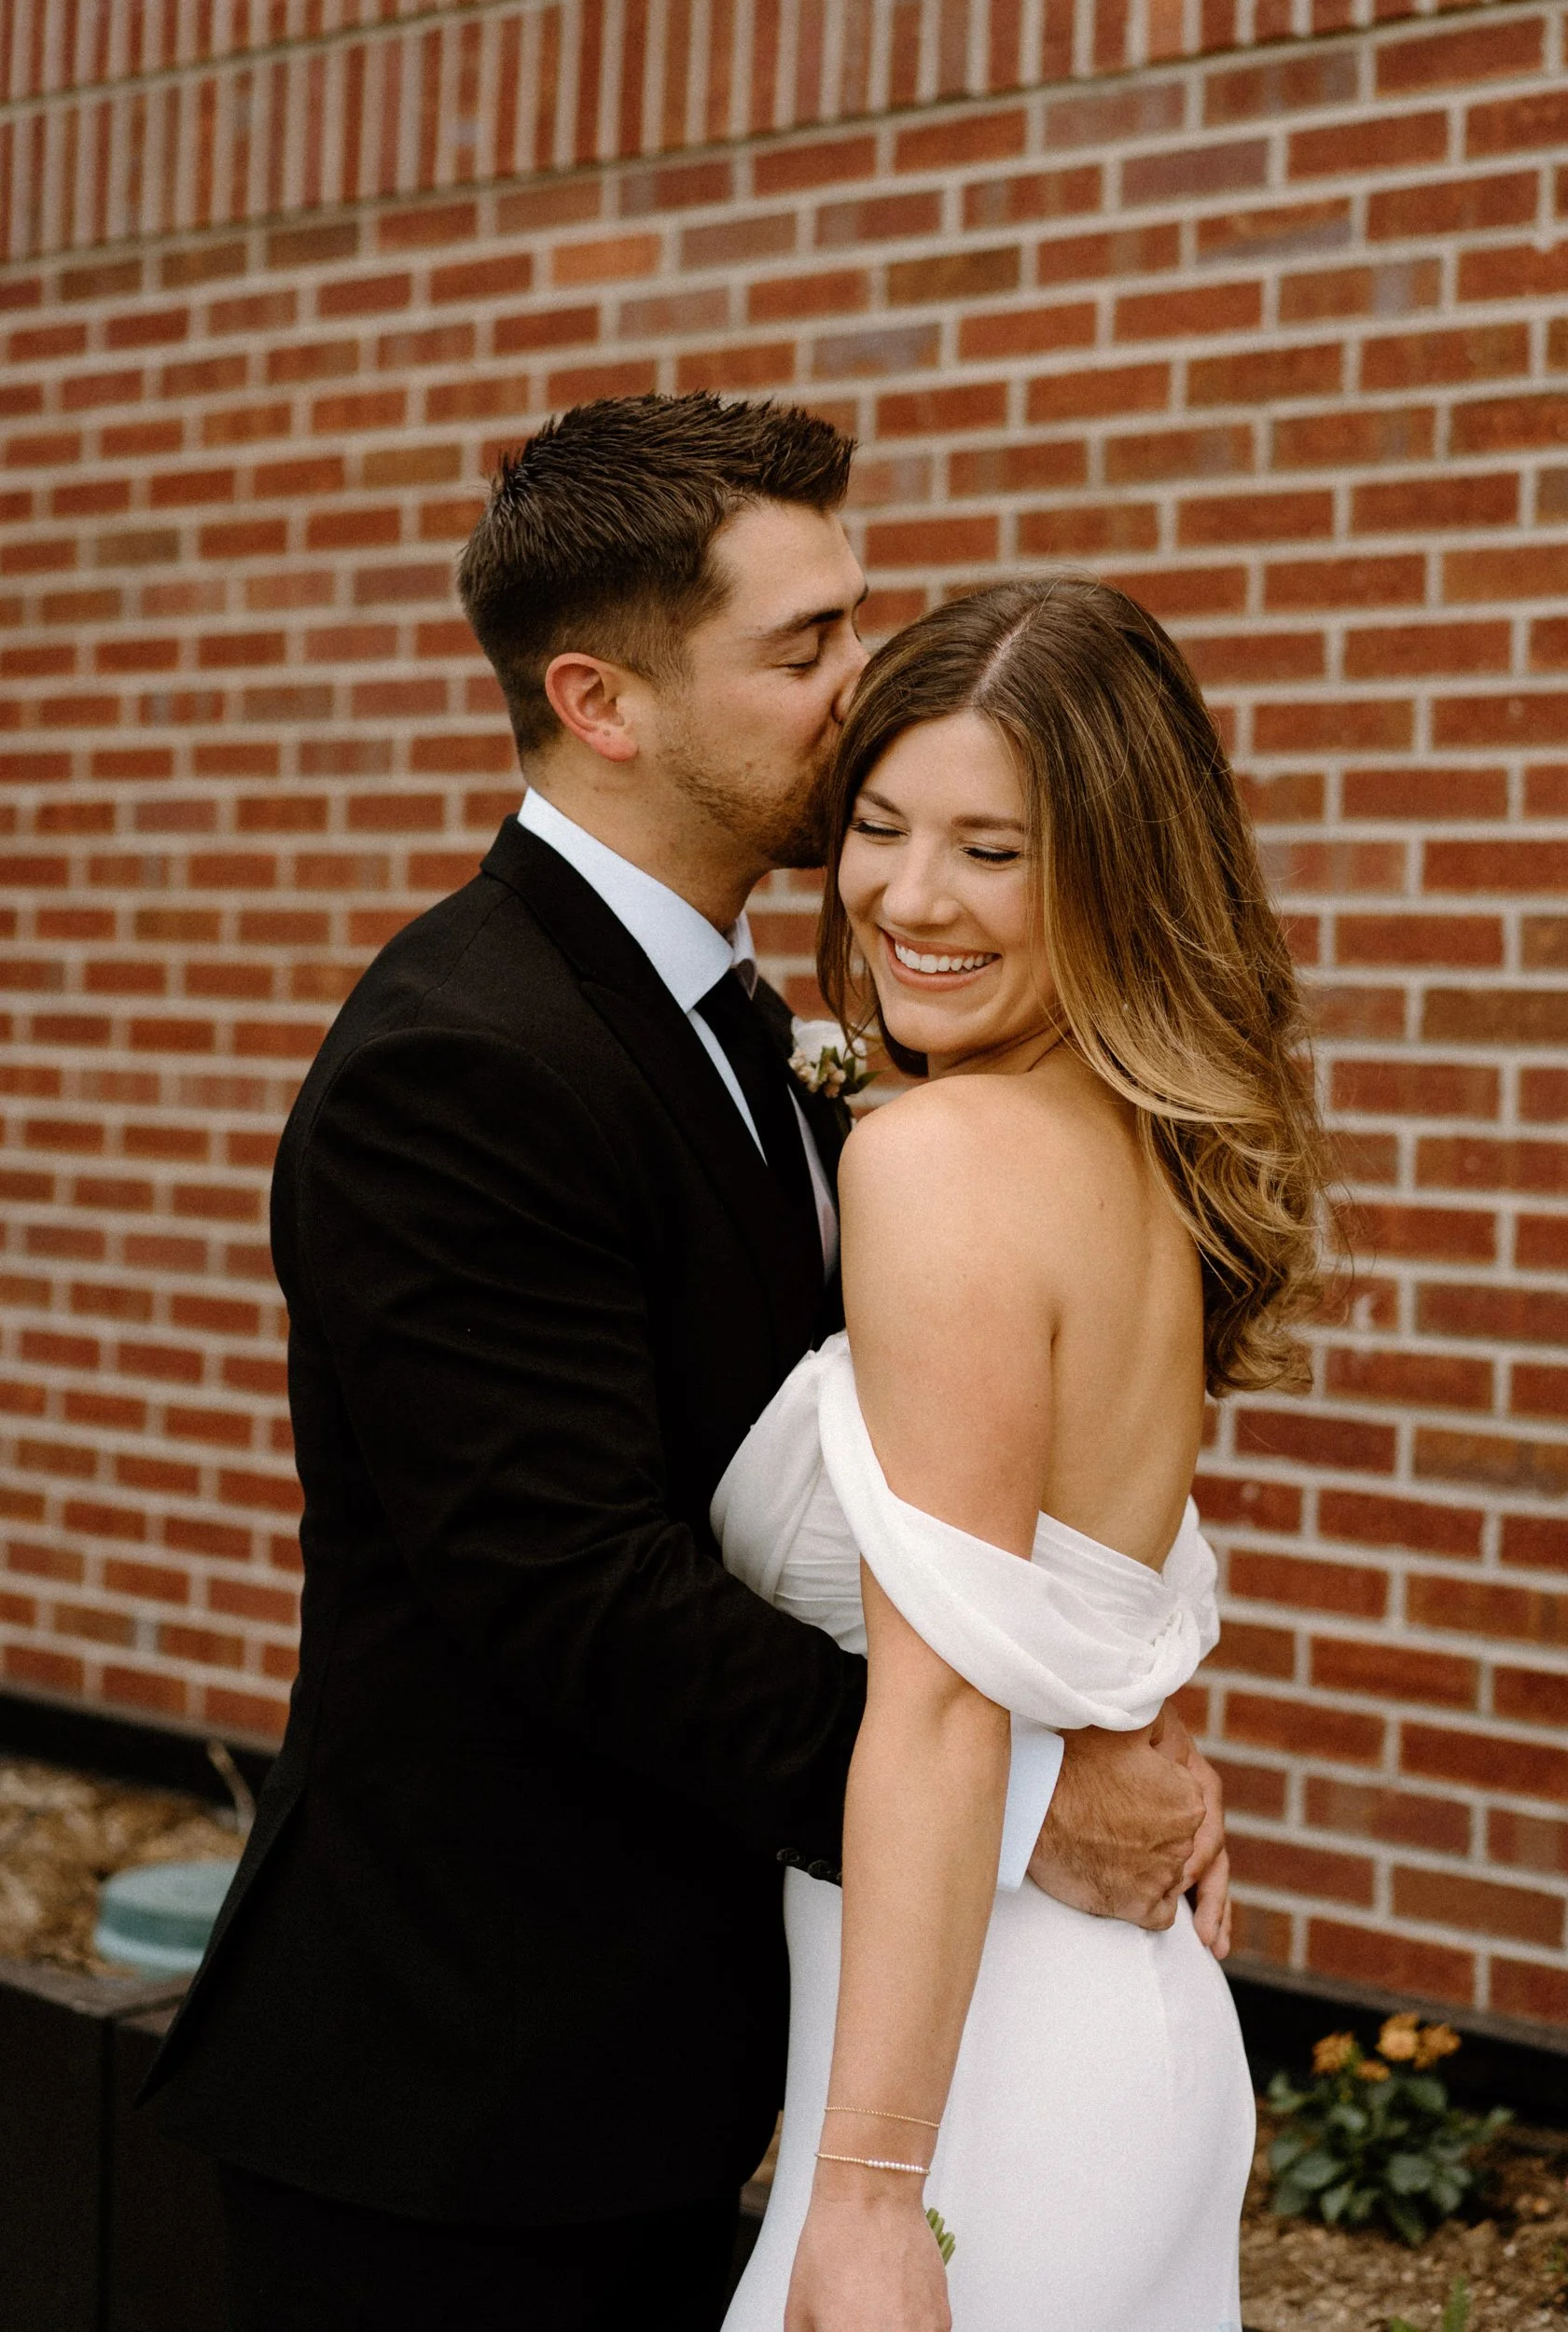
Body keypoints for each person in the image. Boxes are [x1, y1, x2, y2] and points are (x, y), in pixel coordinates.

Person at [140, 396, 1228, 2332]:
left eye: (857, 620)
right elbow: (574, 1594)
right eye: (804, 647)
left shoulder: (823, 1041)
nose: (861, 687)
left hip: (722, 2068)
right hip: (456, 2110)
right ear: (605, 699)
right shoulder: (453, 1062)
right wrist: (1024, 1800)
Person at [716, 576, 1330, 2332]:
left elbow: (943, 1700)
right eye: (883, 828)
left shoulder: (943, 1163)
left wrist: (863, 2199)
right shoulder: (1132, 1143)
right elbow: (1098, 1598)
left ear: (1118, 870)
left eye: (995, 851)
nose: (913, 899)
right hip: (1115, 2037)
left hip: (986, 2103)